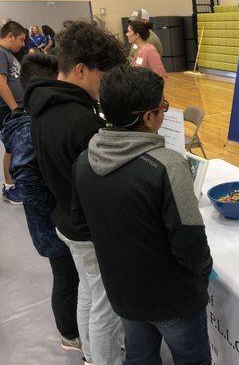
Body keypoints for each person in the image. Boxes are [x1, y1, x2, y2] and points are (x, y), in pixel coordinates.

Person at [72, 65, 212, 365]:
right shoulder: (168, 166)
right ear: (149, 117)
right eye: (163, 107)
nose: (164, 112)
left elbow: (82, 224)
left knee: (139, 357)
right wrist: (202, 274)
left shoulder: (84, 161)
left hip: (123, 294)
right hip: (174, 300)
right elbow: (190, 244)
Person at [24, 21, 125, 365]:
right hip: (88, 228)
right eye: (103, 76)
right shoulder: (81, 122)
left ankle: (88, 352)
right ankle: (102, 359)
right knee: (106, 305)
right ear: (81, 70)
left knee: (88, 290)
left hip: (66, 219)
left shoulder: (42, 104)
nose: (106, 85)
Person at [0, 53, 82, 353]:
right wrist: (59, 211)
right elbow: (28, 185)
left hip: (53, 224)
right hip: (52, 228)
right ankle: (70, 335)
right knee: (66, 277)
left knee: (70, 277)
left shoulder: (27, 121)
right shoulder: (29, 128)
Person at [0, 20, 26, 204]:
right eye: (22, 40)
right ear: (10, 37)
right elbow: (1, 83)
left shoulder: (8, 54)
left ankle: (14, 183)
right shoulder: (1, 53)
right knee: (10, 147)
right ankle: (9, 187)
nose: (23, 44)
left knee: (15, 147)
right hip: (7, 109)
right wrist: (14, 108)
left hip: (14, 107)